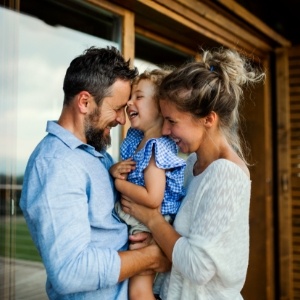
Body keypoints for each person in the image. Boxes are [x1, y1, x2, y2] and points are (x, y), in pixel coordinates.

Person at [19, 46, 171, 300]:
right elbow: (70, 271)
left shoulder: (97, 156)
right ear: (85, 102)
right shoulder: (57, 165)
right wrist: (151, 257)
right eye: (117, 108)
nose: (122, 120)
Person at [120, 47, 266, 299]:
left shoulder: (226, 175)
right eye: (163, 119)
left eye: (172, 121)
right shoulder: (191, 165)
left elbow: (198, 267)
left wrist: (152, 220)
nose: (165, 130)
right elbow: (178, 243)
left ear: (208, 119)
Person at [109, 69, 186, 300]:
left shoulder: (156, 148)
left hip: (147, 225)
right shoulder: (137, 140)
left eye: (138, 97)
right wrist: (116, 170)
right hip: (138, 219)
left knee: (139, 291)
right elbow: (127, 169)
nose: (129, 102)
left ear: (161, 108)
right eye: (130, 97)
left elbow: (153, 198)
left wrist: (119, 185)